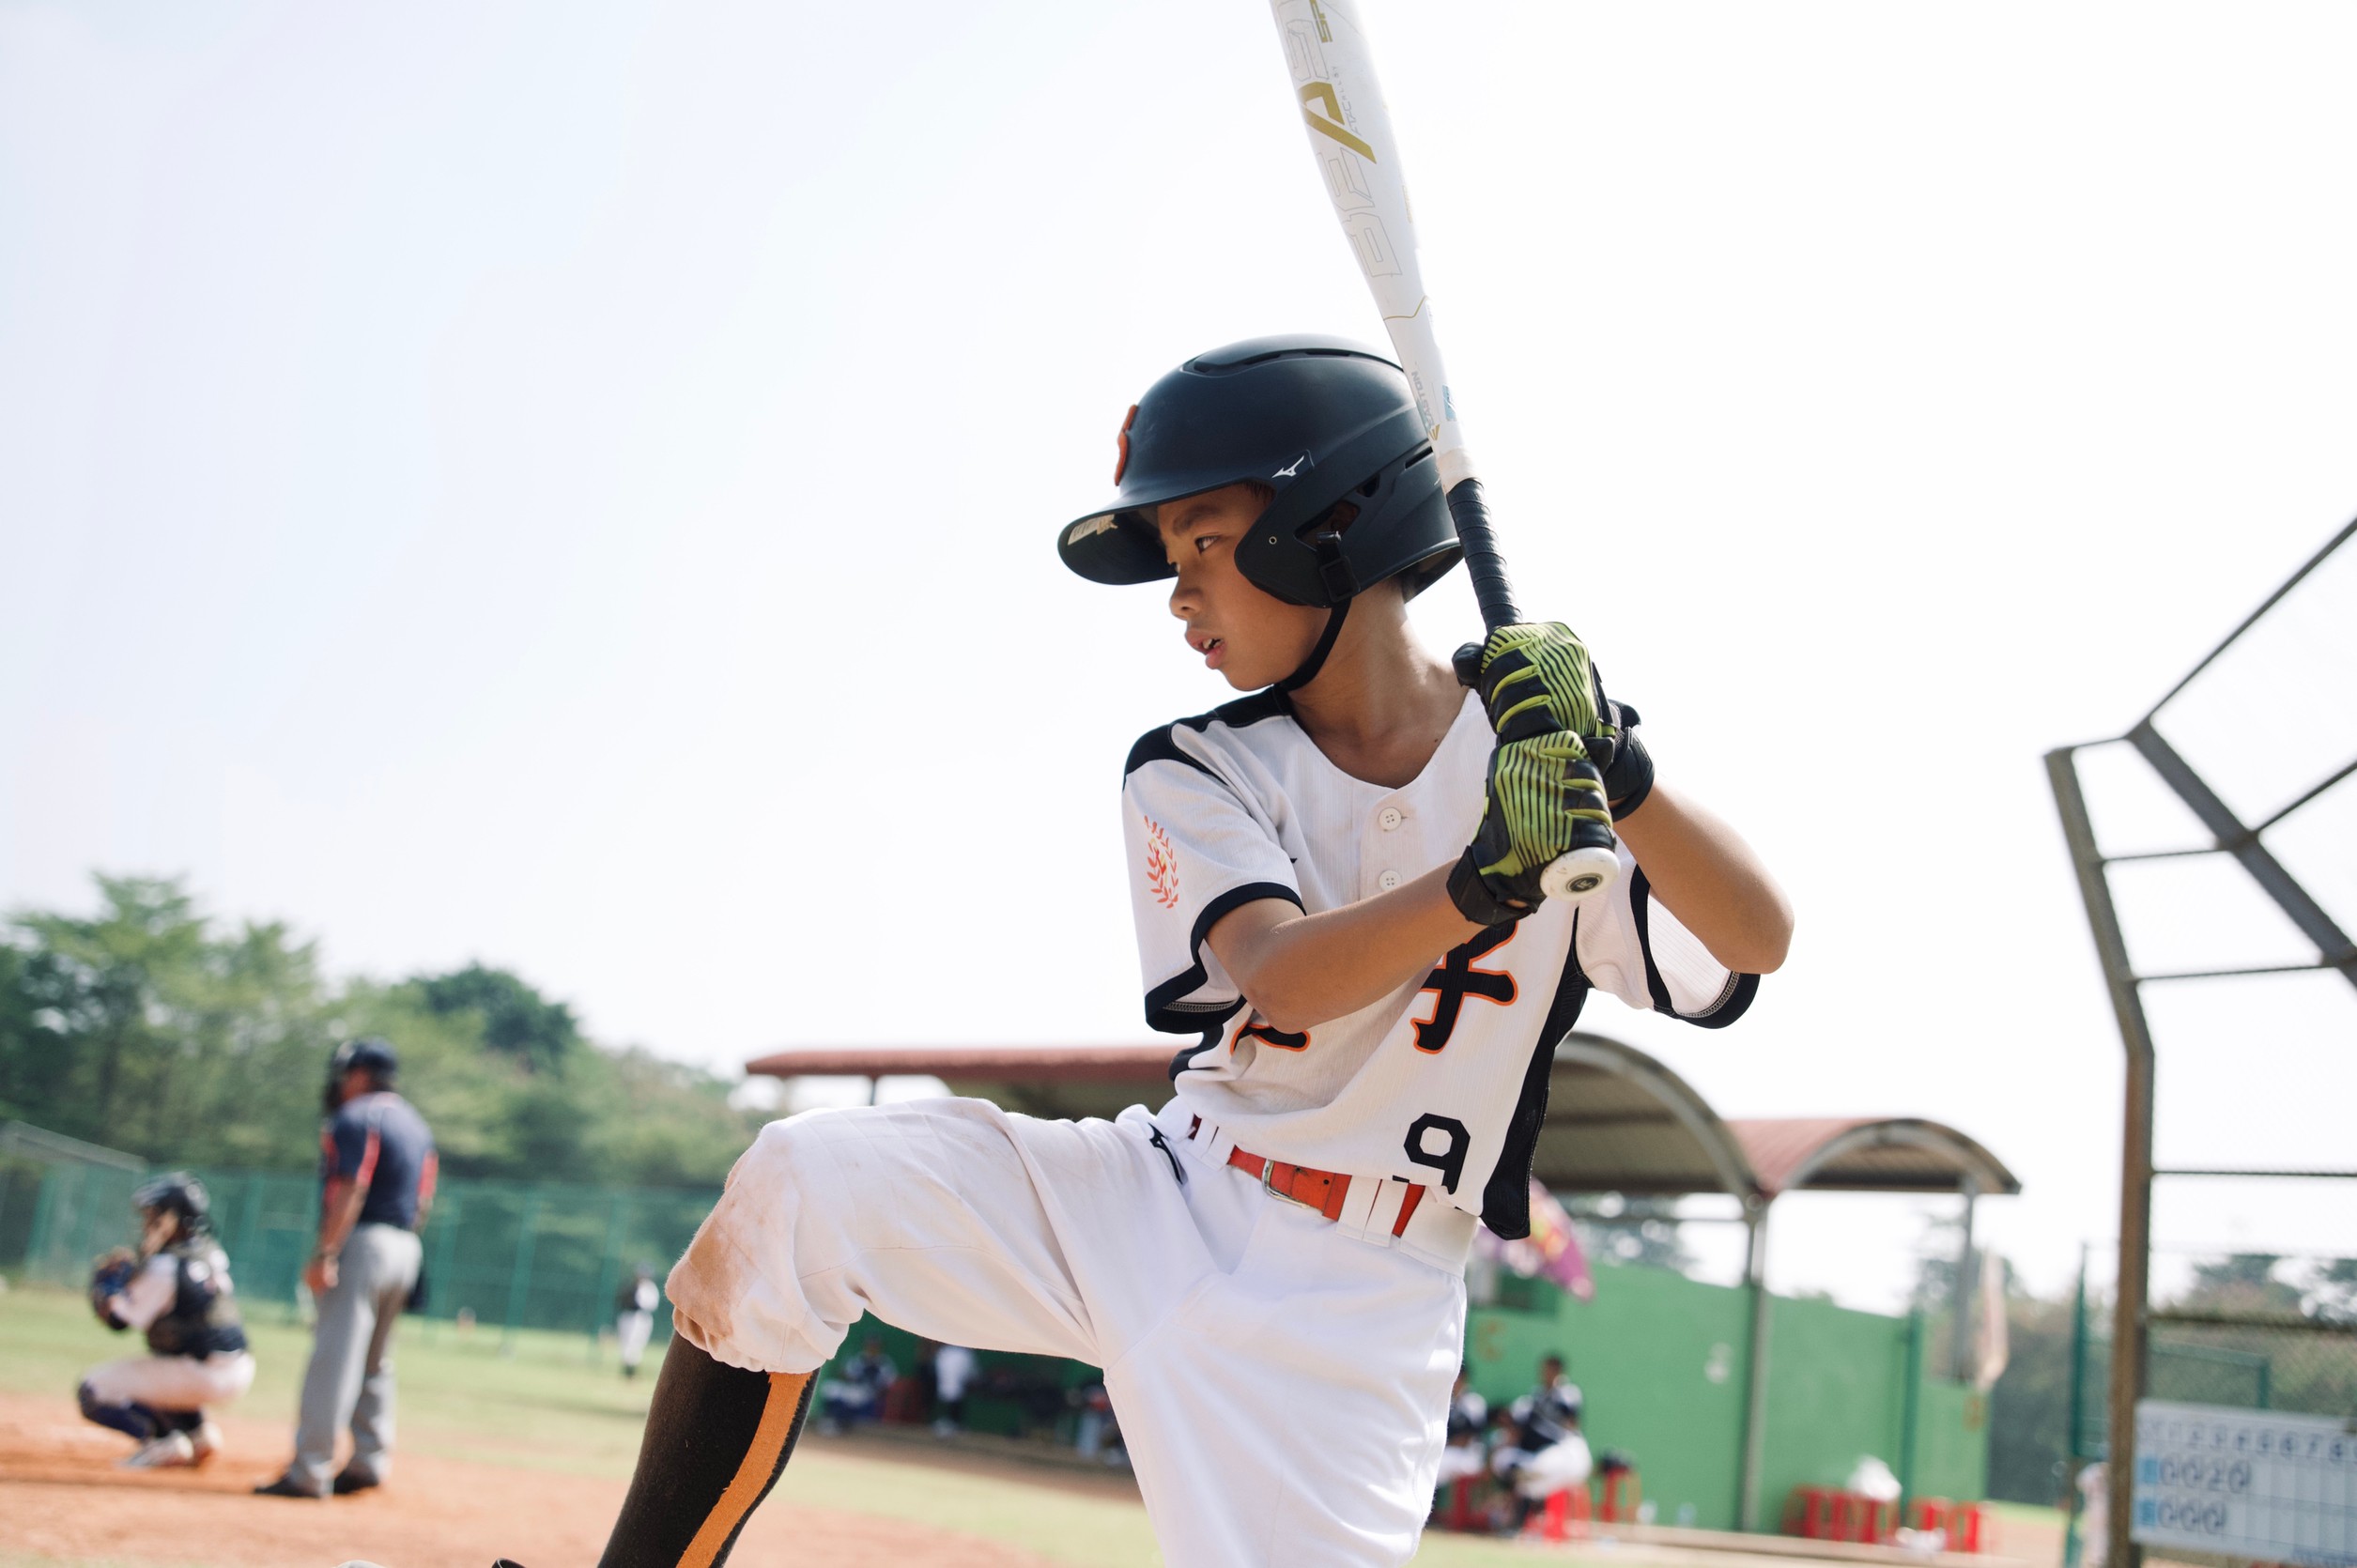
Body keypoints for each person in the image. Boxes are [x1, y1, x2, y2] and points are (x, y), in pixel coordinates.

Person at [531, 334, 1790, 1568]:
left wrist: (1618, 763)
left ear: (1331, 522)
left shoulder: (1544, 761)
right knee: (804, 1183)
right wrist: (1479, 882)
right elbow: (1281, 974)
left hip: (1364, 1312)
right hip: (1167, 1193)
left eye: (1202, 541)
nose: (1179, 594)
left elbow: (1754, 937)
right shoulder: (1200, 764)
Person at [255, 1037, 437, 1499]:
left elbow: (352, 1185)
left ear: (359, 1075)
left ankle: (309, 1470)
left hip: (365, 1243)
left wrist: (326, 1253)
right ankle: (368, 1462)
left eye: (344, 1074)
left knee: (334, 1358)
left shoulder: (356, 1116)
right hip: (406, 1246)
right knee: (376, 1361)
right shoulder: (416, 1124)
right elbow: (423, 1199)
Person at [76, 1172, 255, 1468]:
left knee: (92, 1391)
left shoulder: (166, 1265)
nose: (147, 1223)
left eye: (155, 1215)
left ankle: (161, 1440)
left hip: (203, 1372)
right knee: (164, 1365)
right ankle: (198, 1433)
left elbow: (119, 1321)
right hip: (236, 1367)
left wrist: (107, 1291)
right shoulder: (208, 1250)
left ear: (175, 1217)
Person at [1509, 1353, 1593, 1505]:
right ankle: (1534, 1512)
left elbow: (1571, 1423)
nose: (1545, 1374)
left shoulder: (1568, 1393)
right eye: (1544, 1370)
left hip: (1570, 1448)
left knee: (1539, 1468)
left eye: (1550, 1370)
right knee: (1527, 1483)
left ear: (1558, 1371)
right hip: (1549, 1450)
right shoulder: (1538, 1395)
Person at [815, 1334, 896, 1435]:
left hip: (870, 1392)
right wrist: (845, 1374)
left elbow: (888, 1384)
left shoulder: (884, 1363)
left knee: (853, 1396)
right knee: (829, 1387)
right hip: (854, 1387)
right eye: (870, 1344)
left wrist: (877, 1391)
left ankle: (838, 1423)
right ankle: (830, 1420)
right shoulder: (859, 1358)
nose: (872, 1347)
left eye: (875, 1345)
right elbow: (848, 1375)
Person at [615, 1264, 660, 1379]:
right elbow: (622, 1300)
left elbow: (648, 1305)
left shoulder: (649, 1288)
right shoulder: (632, 1285)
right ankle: (626, 1370)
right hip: (628, 1315)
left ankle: (631, 1371)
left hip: (640, 1317)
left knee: (636, 1343)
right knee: (625, 1342)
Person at [931, 1343, 976, 1437]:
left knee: (953, 1406)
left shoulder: (949, 1352)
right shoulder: (954, 1353)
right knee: (949, 1406)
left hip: (954, 1387)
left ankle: (952, 1425)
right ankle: (947, 1425)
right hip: (948, 1386)